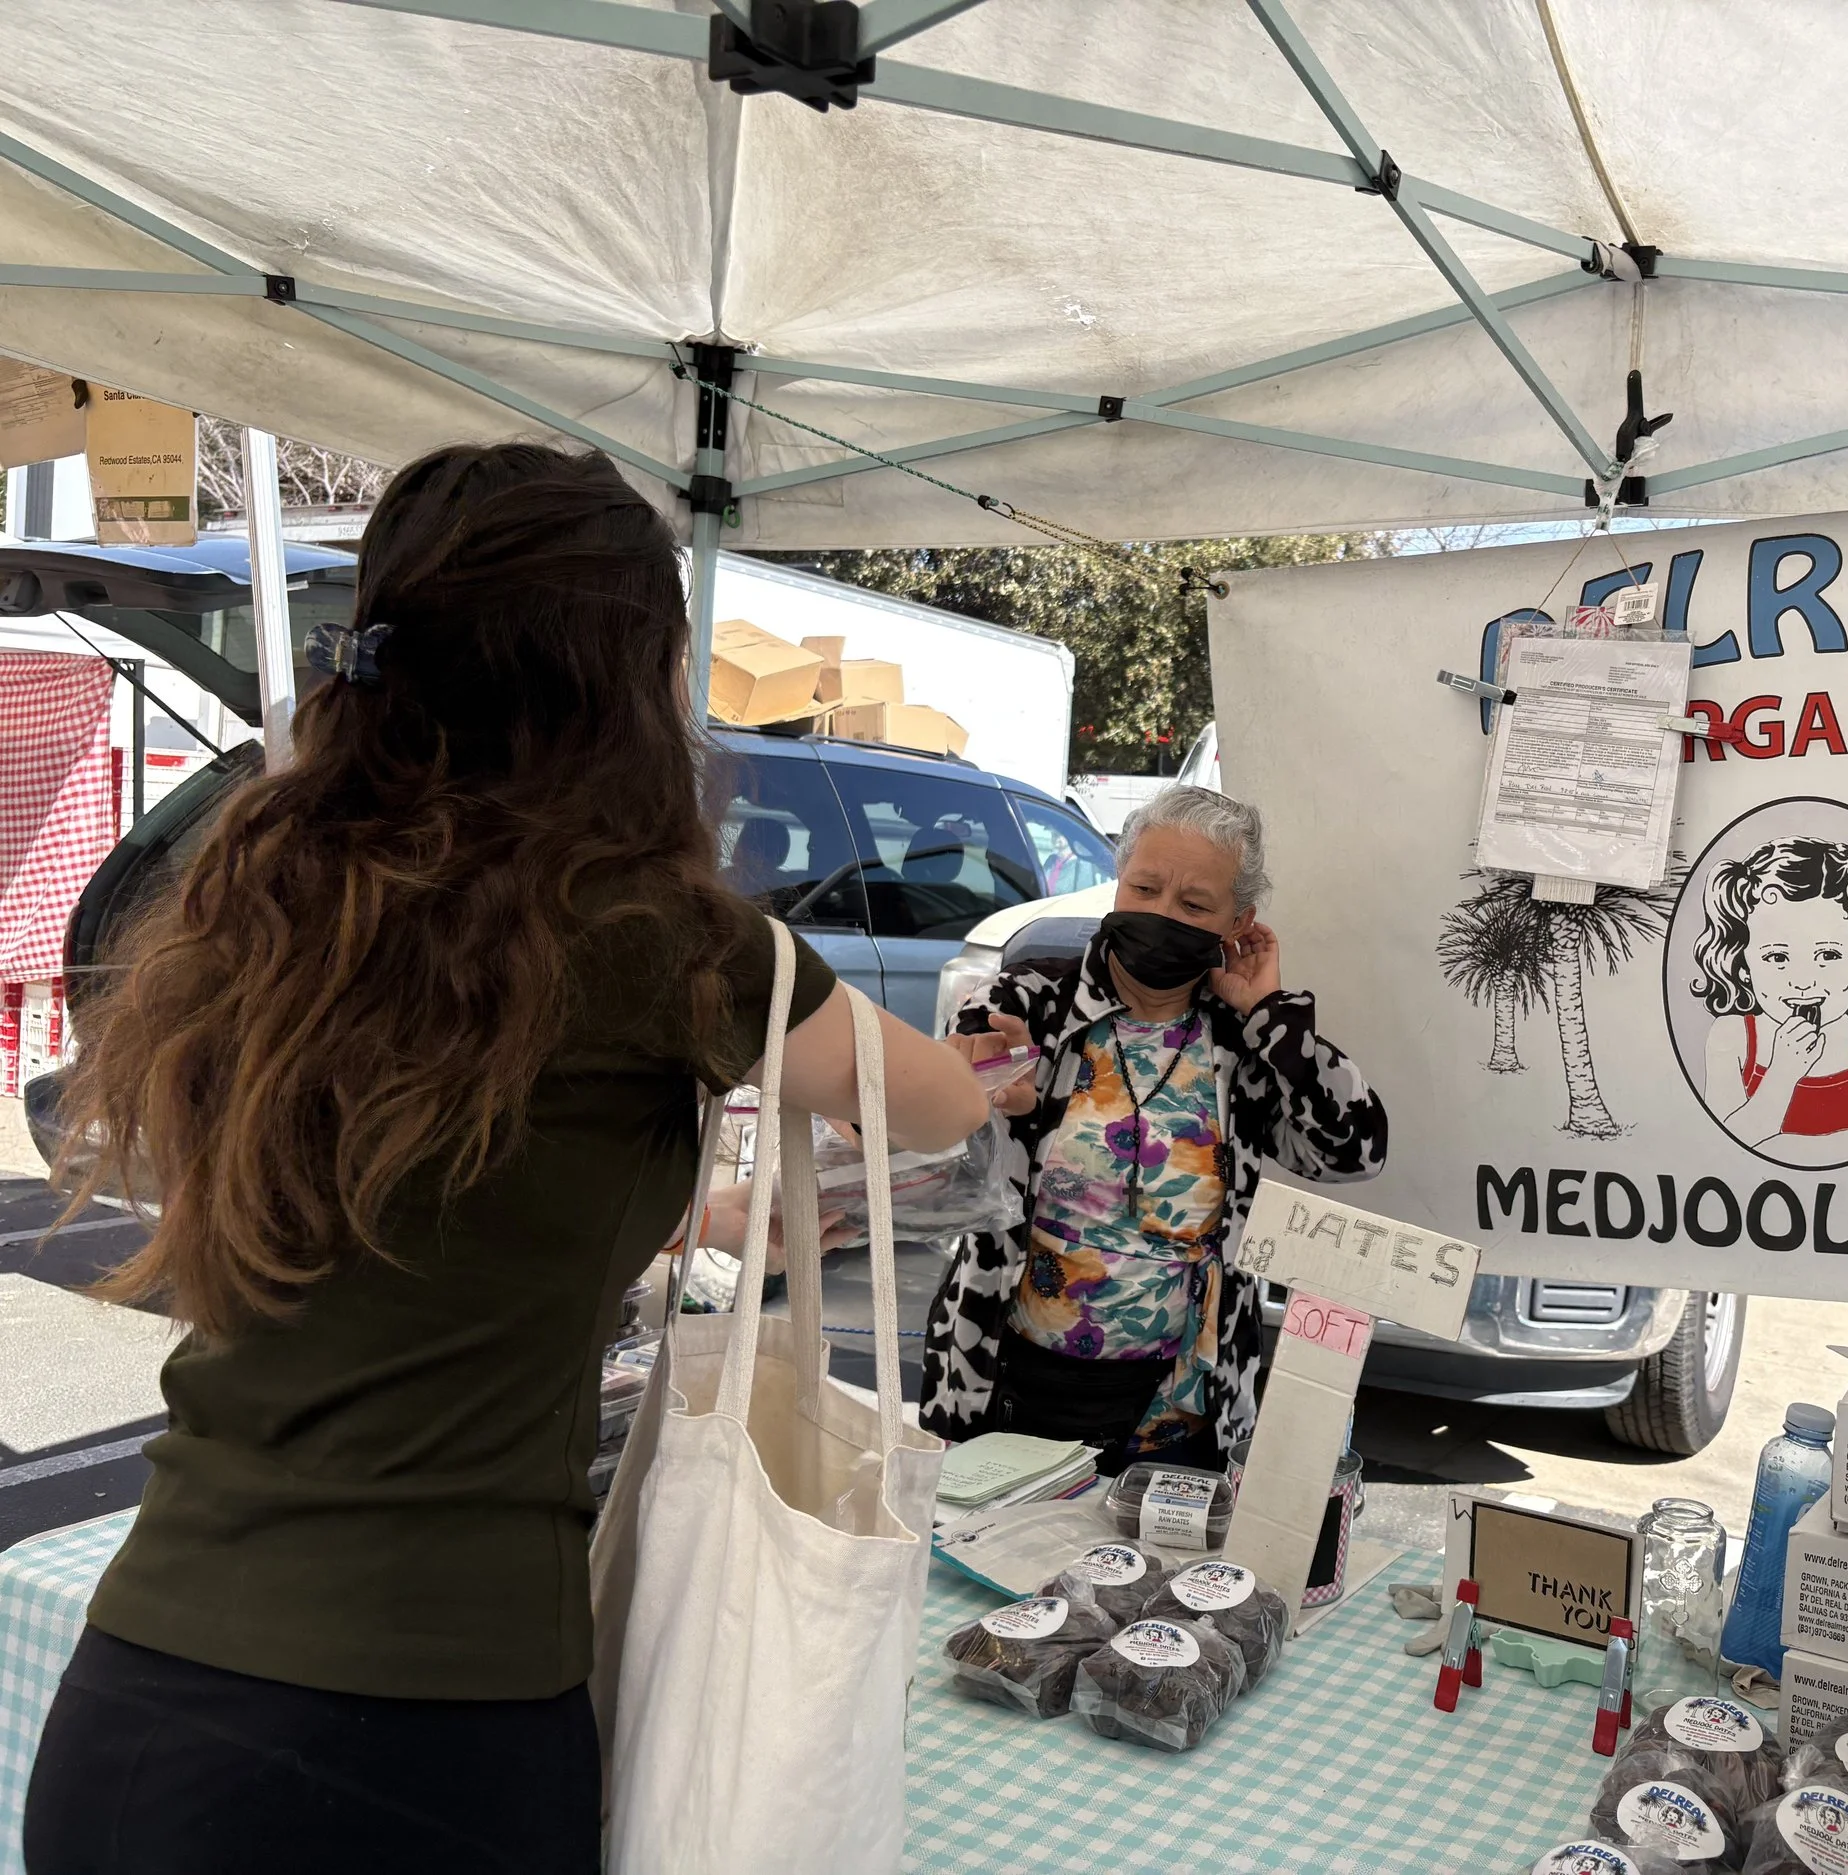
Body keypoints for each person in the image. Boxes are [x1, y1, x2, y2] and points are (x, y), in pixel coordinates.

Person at [24, 444, 988, 1875]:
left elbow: (422, 1205)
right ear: (626, 682)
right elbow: (942, 1100)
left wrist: (680, 1204)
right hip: (424, 1730)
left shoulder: (275, 894)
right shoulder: (661, 935)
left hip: (144, 1693)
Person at [922, 785, 1388, 1474]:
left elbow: (1354, 1148)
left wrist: (1272, 1015)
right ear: (1117, 883)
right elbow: (934, 1160)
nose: (1161, 912)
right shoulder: (1026, 1004)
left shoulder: (1242, 1044)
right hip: (1010, 1386)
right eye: (1144, 886)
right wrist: (987, 1100)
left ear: (1237, 921)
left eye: (1195, 904)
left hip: (1179, 1409)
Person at [1690, 836, 1848, 1157]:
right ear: (1742, 964)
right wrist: (1782, 1076)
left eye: (1828, 955)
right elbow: (1717, 1150)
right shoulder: (1732, 1038)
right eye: (1777, 957)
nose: (1803, 982)